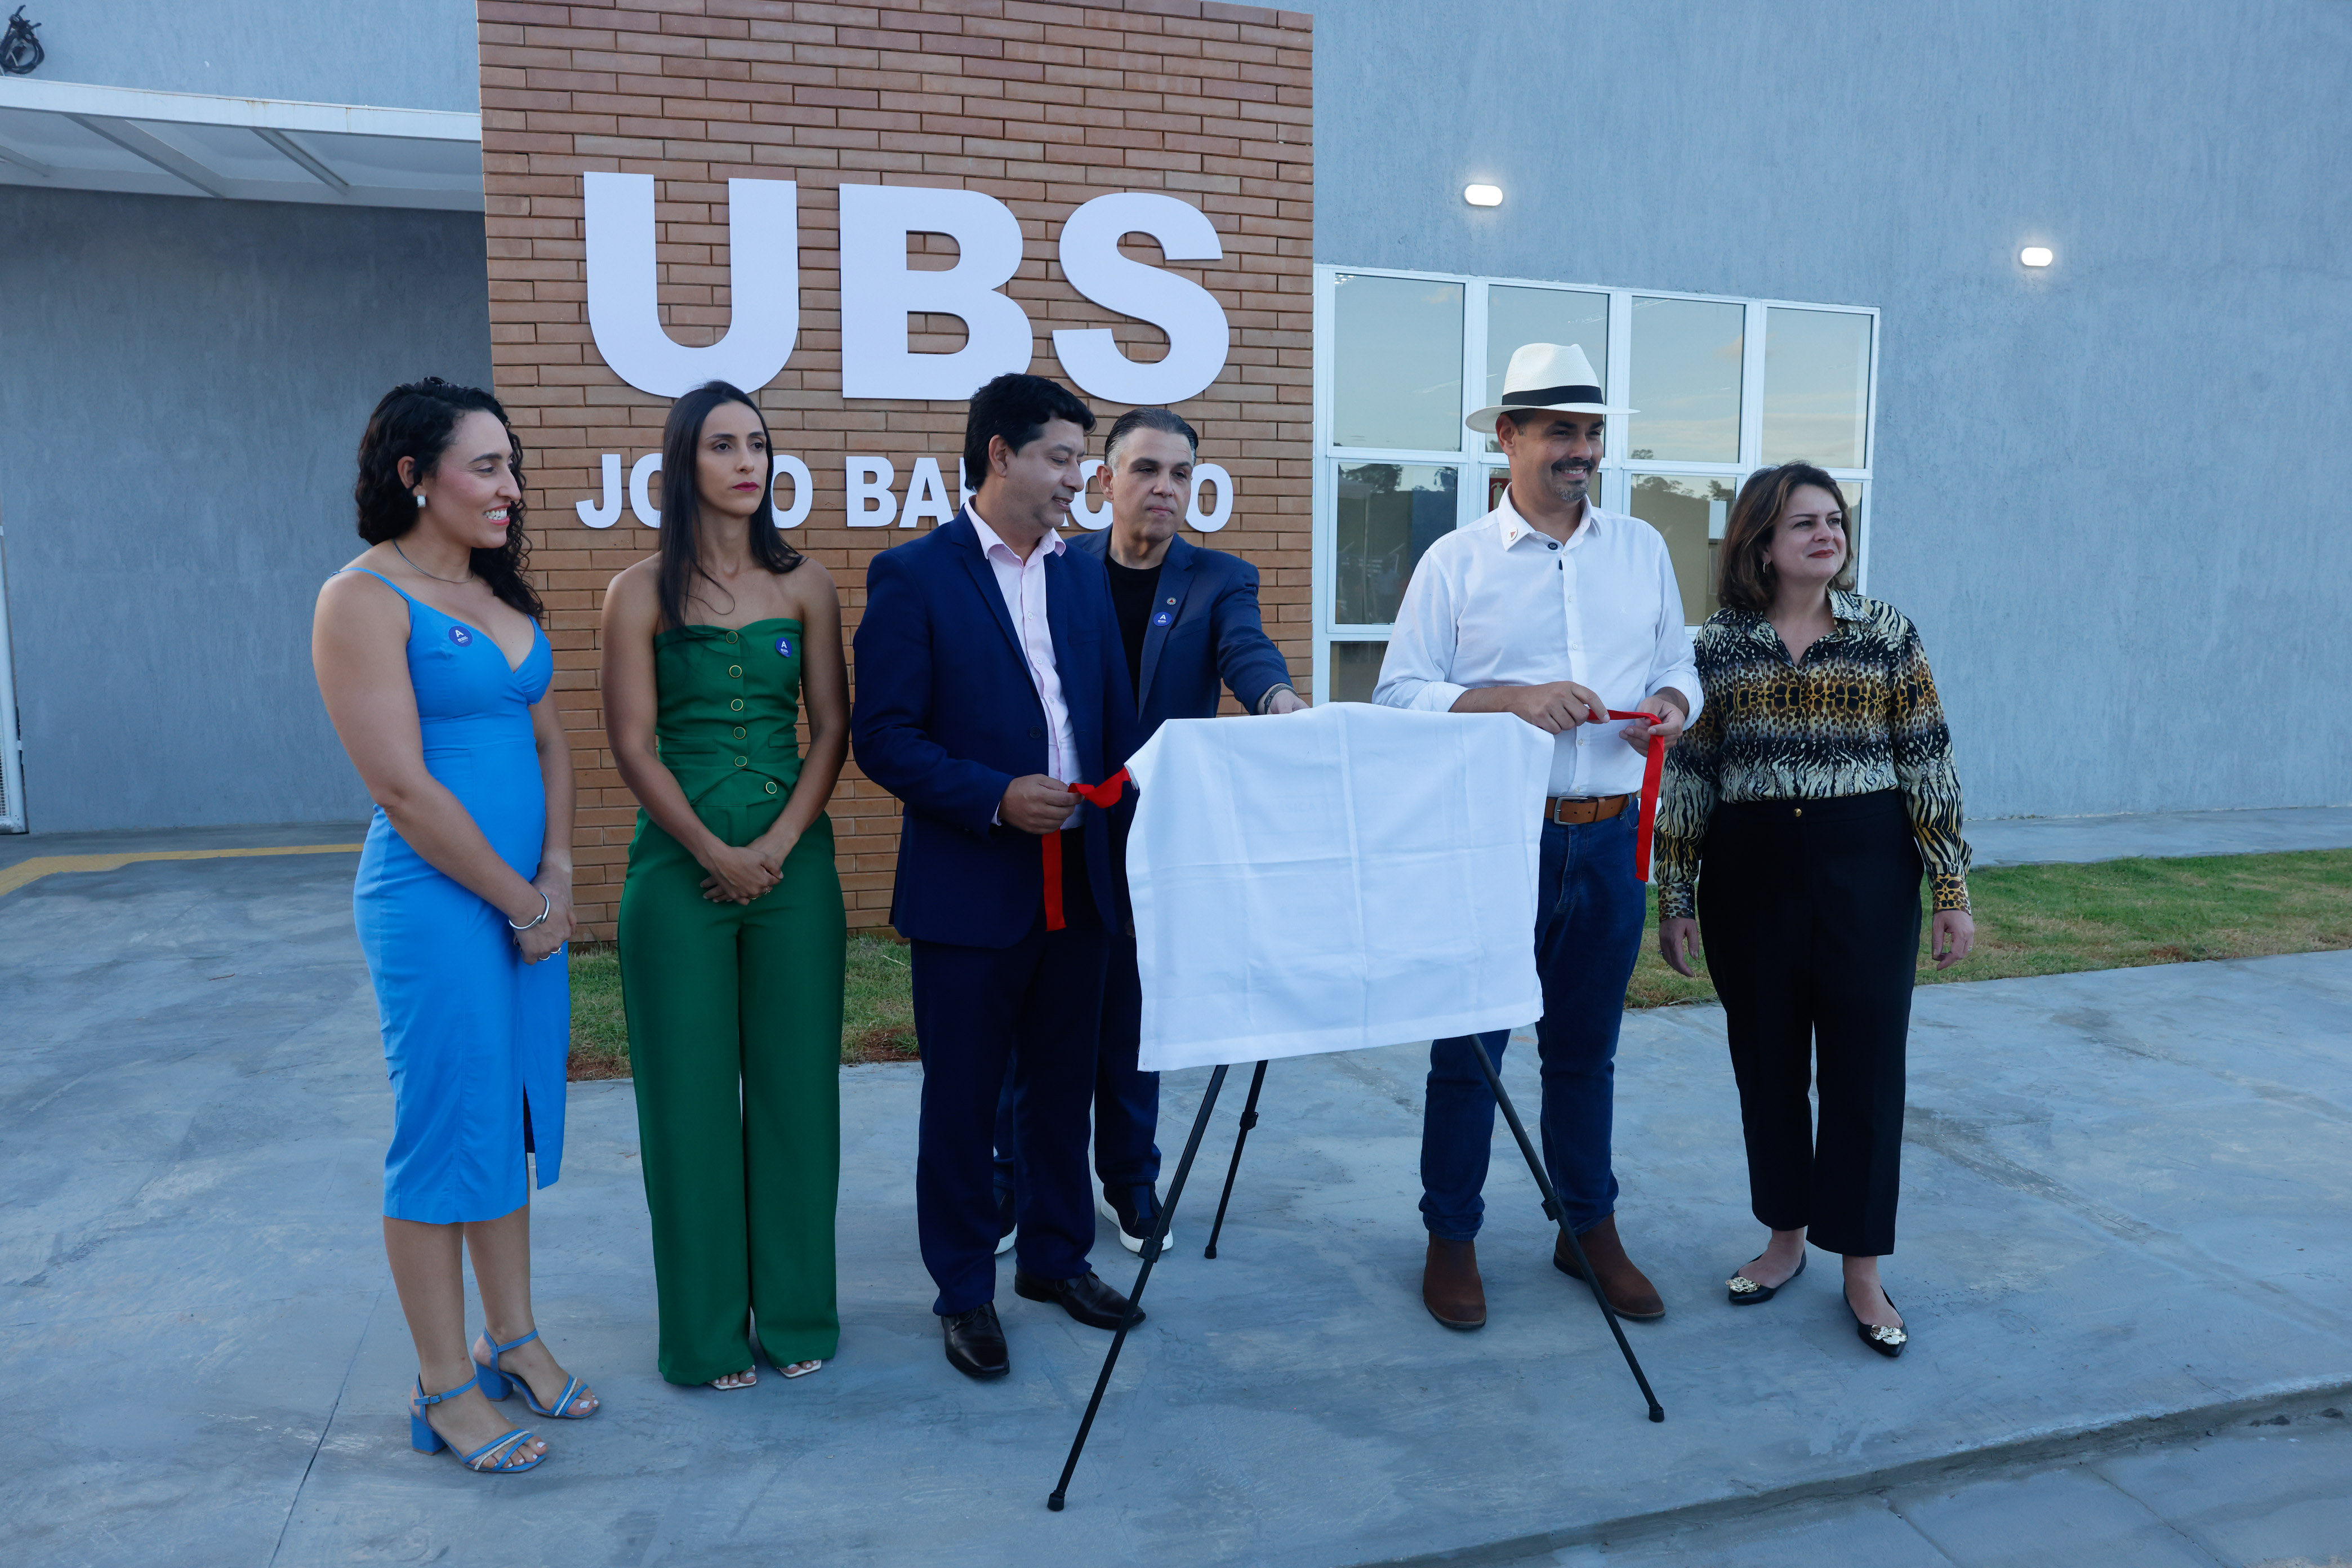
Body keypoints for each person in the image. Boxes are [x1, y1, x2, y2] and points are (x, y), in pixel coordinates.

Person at [1375, 342, 1700, 1331]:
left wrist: (1674, 704)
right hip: (1494, 843)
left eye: (1593, 432)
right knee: (1469, 1052)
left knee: (1585, 1053)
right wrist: (1512, 699)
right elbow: (1399, 695)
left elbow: (1679, 662)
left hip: (1609, 840)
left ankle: (1586, 1228)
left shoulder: (1641, 550)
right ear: (1508, 438)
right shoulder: (1455, 562)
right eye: (1561, 431)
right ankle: (1451, 1235)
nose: (1582, 450)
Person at [313, 378, 593, 1475]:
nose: (510, 487)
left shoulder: (496, 591)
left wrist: (556, 873)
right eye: (487, 466)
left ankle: (510, 1338)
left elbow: (553, 745)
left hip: (527, 903)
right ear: (414, 475)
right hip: (434, 907)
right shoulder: (362, 599)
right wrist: (523, 901)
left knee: (506, 1118)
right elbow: (404, 787)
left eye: (511, 465)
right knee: (442, 1134)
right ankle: (442, 1389)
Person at [850, 372, 1143, 1380]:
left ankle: (1057, 1262)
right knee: (965, 1102)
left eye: (1081, 461)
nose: (1077, 479)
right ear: (1000, 456)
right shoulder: (914, 575)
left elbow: (1108, 719)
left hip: (1082, 882)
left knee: (1063, 1089)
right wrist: (993, 796)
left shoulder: (1081, 575)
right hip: (972, 885)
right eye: (1061, 458)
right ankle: (965, 1290)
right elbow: (884, 736)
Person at [1653, 462, 1975, 1359]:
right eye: (1805, 523)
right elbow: (1691, 775)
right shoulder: (1718, 647)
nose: (1828, 534)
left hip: (1866, 870)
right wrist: (1675, 895)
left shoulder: (1887, 634)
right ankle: (1784, 1238)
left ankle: (1862, 1269)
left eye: (1835, 519)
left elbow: (1930, 760)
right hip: (1748, 873)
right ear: (1761, 542)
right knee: (1767, 1067)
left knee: (1866, 1072)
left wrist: (1950, 888)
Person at [993, 407, 1305, 1256]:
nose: (1165, 488)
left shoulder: (1220, 578)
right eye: (1146, 470)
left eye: (1180, 474)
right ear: (1104, 481)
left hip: (1156, 842)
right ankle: (1009, 1181)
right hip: (1061, 831)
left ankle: (1129, 1181)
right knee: (1036, 1018)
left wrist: (1277, 700)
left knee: (1135, 1016)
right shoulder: (1057, 566)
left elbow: (1247, 652)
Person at [602, 381, 849, 1389]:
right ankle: (703, 1338)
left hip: (796, 872)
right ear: (683, 463)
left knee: (799, 1097)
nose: (748, 462)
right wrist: (712, 849)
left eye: (757, 444)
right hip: (677, 873)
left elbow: (832, 730)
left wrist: (778, 845)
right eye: (723, 446)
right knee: (688, 1107)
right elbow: (632, 744)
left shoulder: (806, 585)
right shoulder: (635, 593)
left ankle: (796, 1316)